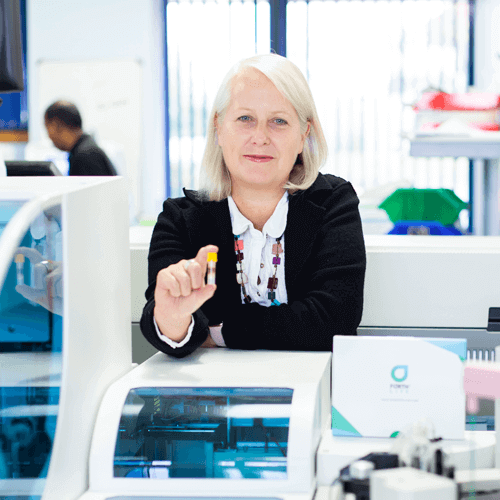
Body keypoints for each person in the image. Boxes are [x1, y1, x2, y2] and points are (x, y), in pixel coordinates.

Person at [140, 54, 366, 358]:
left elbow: (333, 323)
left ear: (303, 136)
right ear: (219, 128)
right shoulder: (180, 218)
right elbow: (165, 327)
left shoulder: (334, 203)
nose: (260, 137)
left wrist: (219, 331)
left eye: (279, 121)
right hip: (211, 396)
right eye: (245, 119)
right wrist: (173, 318)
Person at [44, 101, 117, 176]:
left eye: (47, 127)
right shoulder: (86, 149)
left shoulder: (84, 156)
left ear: (56, 125)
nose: (49, 136)